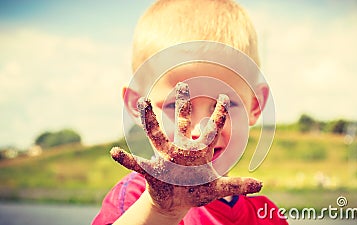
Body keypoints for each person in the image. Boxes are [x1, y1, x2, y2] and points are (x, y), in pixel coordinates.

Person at [92, 0, 288, 224]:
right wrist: (162, 211)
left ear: (254, 106)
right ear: (139, 107)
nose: (200, 131)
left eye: (224, 106)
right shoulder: (137, 200)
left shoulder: (266, 215)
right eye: (176, 106)